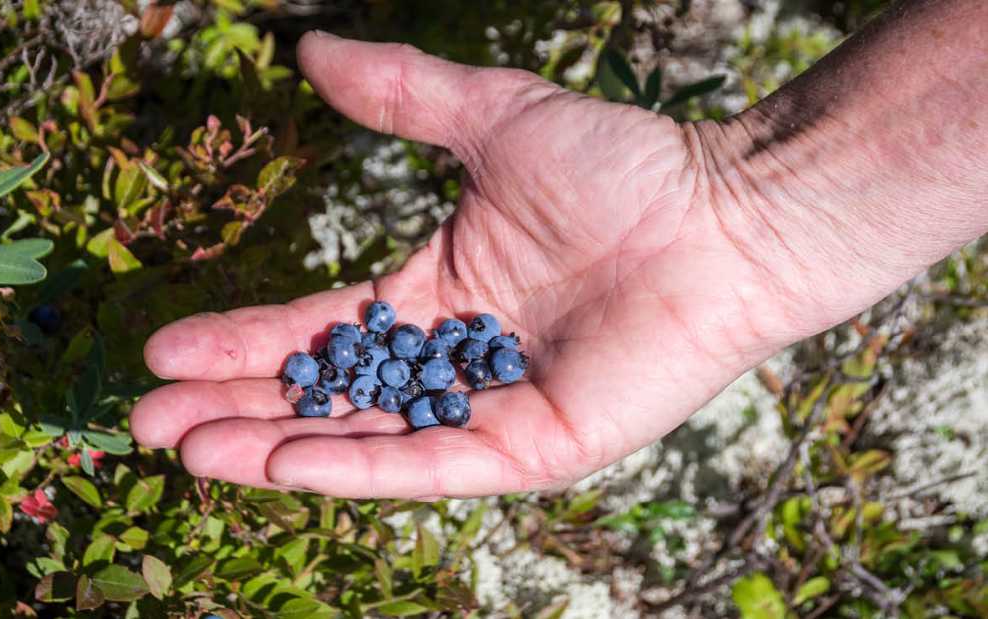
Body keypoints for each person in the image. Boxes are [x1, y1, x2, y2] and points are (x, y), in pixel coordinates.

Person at [129, 0, 988, 499]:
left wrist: (744, 205)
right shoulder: (429, 358)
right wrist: (749, 204)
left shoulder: (439, 356)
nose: (388, 369)